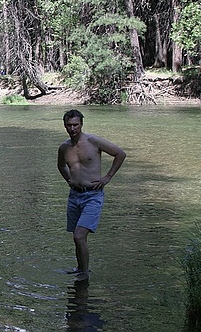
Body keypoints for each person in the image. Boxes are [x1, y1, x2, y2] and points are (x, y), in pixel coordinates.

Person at [57, 109, 126, 281]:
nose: (72, 128)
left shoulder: (93, 141)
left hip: (93, 195)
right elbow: (61, 166)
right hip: (74, 195)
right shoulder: (64, 147)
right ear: (64, 125)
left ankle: (84, 274)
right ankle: (80, 269)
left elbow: (120, 154)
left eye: (75, 125)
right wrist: (69, 179)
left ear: (81, 124)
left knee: (79, 235)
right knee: (77, 238)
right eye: (69, 125)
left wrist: (108, 177)